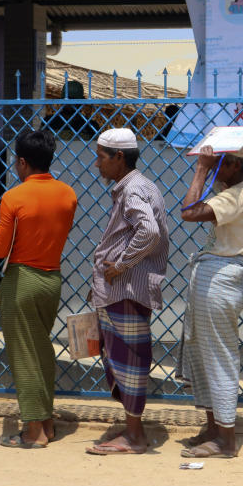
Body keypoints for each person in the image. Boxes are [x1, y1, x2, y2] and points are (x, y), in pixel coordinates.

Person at [177, 142, 243, 458]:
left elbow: (188, 211)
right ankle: (215, 430)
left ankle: (225, 440)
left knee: (217, 358)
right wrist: (215, 166)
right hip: (221, 277)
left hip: (218, 280)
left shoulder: (233, 197)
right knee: (206, 356)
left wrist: (201, 169)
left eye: (220, 164)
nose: (215, 168)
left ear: (233, 166)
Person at [86, 128, 169, 455]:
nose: (97, 165)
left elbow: (147, 232)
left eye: (101, 157)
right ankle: (132, 429)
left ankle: (134, 436)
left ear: (119, 157)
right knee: (122, 359)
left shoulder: (133, 190)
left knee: (129, 361)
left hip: (127, 290)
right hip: (124, 290)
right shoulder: (140, 186)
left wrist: (120, 265)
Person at [0, 130, 77, 449]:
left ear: (23, 162)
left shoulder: (13, 197)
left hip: (22, 280)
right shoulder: (67, 194)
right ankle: (46, 423)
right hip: (51, 279)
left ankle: (33, 430)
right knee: (41, 351)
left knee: (24, 355)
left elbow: (0, 249)